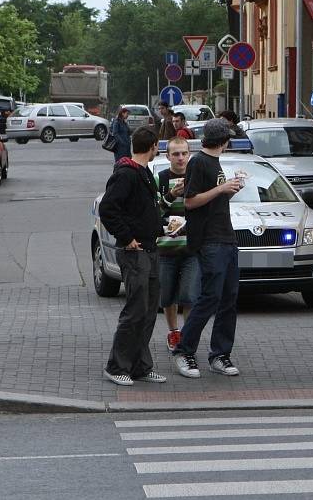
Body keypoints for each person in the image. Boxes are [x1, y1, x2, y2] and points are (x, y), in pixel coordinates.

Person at [172, 118, 241, 379]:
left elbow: (211, 198)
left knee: (228, 298)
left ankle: (220, 354)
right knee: (210, 297)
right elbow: (190, 201)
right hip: (210, 239)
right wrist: (221, 188)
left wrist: (229, 190)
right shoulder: (199, 162)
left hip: (226, 236)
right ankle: (184, 351)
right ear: (223, 141)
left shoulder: (215, 162)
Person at [99, 125, 166, 386]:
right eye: (157, 146)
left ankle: (140, 365)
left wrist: (160, 226)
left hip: (150, 248)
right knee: (135, 310)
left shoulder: (144, 173)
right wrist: (128, 238)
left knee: (149, 310)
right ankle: (117, 366)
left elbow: (142, 209)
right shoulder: (127, 174)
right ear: (152, 147)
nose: (157, 150)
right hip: (135, 251)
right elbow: (108, 209)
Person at [157, 137, 200, 351]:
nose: (180, 158)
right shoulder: (161, 179)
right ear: (167, 156)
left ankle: (188, 335)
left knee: (189, 295)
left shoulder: (197, 178)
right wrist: (171, 195)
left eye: (184, 153)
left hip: (191, 248)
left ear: (189, 154)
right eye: (175, 154)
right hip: (166, 248)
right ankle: (174, 332)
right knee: (167, 295)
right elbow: (154, 212)